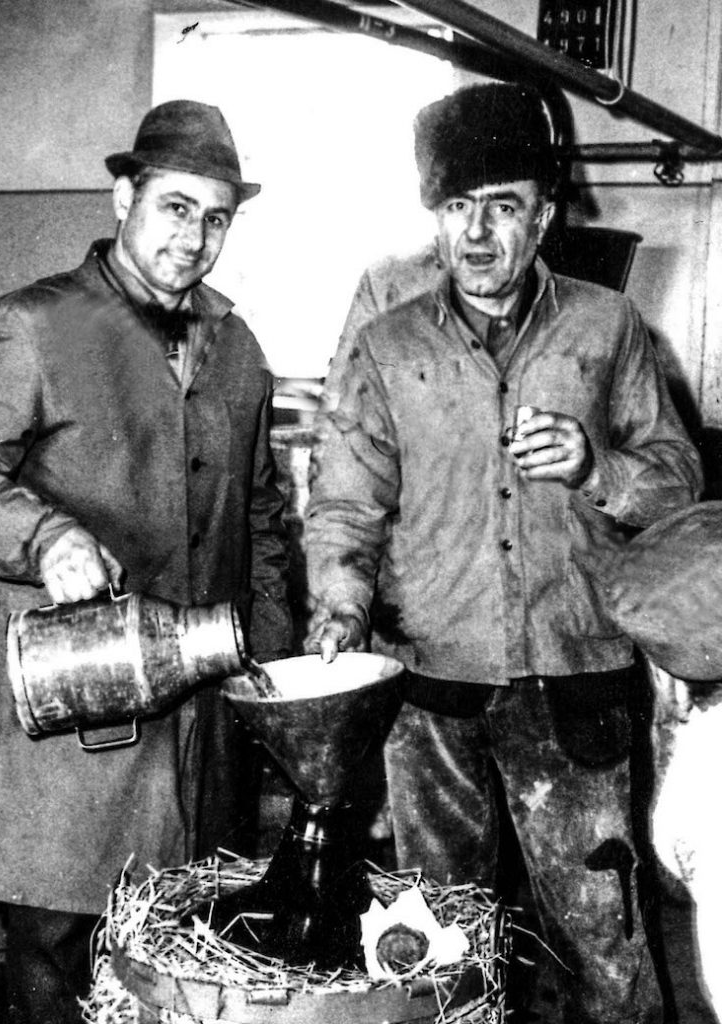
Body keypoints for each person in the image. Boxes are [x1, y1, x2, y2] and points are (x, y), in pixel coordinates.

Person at [303, 81, 703, 1023]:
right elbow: (345, 504)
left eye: (504, 207)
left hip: (576, 674)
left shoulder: (607, 326)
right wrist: (340, 604)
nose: (478, 234)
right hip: (429, 683)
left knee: (603, 936)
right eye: (457, 208)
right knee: (436, 941)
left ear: (545, 216)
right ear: (434, 217)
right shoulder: (386, 345)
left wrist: (598, 467)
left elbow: (680, 484)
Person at [0, 99, 292, 1024]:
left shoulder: (237, 349)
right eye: (175, 207)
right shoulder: (37, 325)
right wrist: (46, 537)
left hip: (203, 710)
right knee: (59, 937)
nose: (194, 237)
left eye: (216, 218)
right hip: (76, 703)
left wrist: (274, 666)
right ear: (124, 197)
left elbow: (263, 518)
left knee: (187, 939)